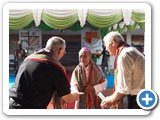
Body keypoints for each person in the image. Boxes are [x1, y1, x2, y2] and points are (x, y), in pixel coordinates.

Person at [9, 36, 82, 109]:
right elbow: (67, 98)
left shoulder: (28, 59)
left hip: (11, 104)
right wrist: (76, 95)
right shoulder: (55, 66)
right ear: (59, 50)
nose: (63, 55)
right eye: (64, 52)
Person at [100, 31, 145, 109]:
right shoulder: (131, 50)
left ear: (113, 43)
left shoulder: (124, 55)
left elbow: (124, 89)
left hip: (137, 99)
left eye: (107, 46)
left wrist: (110, 99)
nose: (107, 50)